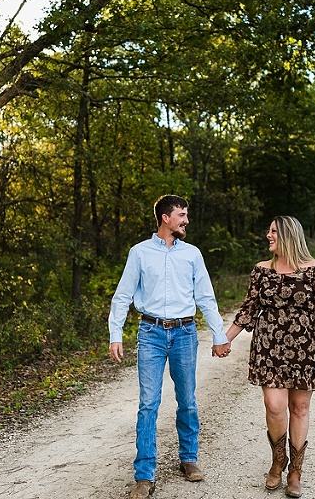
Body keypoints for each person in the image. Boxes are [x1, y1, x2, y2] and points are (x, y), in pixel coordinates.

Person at [108, 194, 230, 499]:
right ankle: (144, 475)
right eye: (182, 215)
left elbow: (206, 298)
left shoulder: (192, 255)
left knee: (187, 399)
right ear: (166, 218)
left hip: (185, 333)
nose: (186, 220)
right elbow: (122, 295)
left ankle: (188, 459)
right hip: (150, 333)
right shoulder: (139, 253)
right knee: (148, 403)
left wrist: (219, 335)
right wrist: (115, 333)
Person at [221, 215, 315, 498]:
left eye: (273, 231)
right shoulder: (261, 270)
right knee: (274, 405)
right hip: (269, 348)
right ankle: (278, 461)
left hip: (305, 349)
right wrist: (224, 339)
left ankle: (295, 471)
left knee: (299, 408)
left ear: (287, 235)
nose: (268, 235)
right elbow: (249, 309)